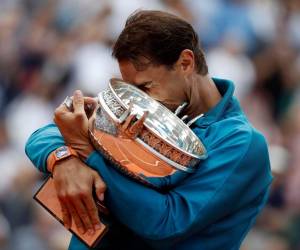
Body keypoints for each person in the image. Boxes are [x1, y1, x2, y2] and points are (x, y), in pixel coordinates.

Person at [25, 10, 273, 250]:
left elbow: (166, 224)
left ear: (185, 63)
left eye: (146, 87)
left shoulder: (243, 144)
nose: (137, 100)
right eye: (132, 89)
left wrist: (88, 155)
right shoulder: (145, 107)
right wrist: (65, 160)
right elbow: (43, 136)